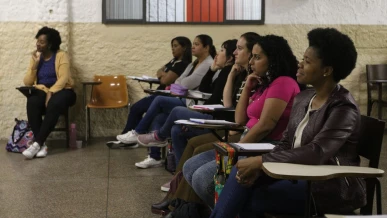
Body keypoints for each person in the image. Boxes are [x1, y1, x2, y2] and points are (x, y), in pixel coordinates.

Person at [210, 28, 366, 218]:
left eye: (307, 62)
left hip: (328, 187)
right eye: (302, 58)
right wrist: (261, 168)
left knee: (247, 196)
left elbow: (317, 152)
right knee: (242, 176)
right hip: (296, 173)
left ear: (327, 70)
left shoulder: (343, 107)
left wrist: (261, 161)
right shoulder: (304, 97)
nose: (299, 65)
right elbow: (286, 143)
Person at [184, 34, 302, 210]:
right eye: (252, 56)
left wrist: (235, 150)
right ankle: (223, 209)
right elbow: (240, 119)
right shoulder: (265, 84)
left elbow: (265, 125)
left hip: (263, 145)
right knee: (190, 166)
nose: (252, 62)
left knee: (203, 178)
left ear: (273, 59)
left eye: (257, 57)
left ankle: (232, 210)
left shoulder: (283, 82)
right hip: (248, 142)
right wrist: (247, 87)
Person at [151, 32, 260, 215]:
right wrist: (229, 72)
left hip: (236, 131)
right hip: (232, 127)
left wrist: (228, 72)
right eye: (232, 50)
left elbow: (235, 114)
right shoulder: (240, 75)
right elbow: (222, 102)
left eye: (239, 49)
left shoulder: (257, 80)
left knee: (179, 119)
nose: (234, 53)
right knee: (171, 124)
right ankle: (178, 197)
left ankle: (185, 203)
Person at [119, 34, 217, 168]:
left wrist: (181, 84)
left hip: (193, 104)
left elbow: (186, 83)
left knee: (159, 100)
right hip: (184, 99)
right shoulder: (194, 63)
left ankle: (138, 132)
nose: (193, 47)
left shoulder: (208, 64)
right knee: (159, 117)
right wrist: (180, 84)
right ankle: (154, 157)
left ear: (206, 47)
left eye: (197, 44)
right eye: (193, 43)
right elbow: (178, 81)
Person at [136, 39, 238, 166]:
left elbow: (214, 100)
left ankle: (156, 136)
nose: (217, 54)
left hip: (217, 120)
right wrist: (212, 70)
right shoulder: (217, 69)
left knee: (172, 108)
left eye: (222, 51)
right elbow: (202, 89)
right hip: (207, 111)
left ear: (230, 58)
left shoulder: (228, 72)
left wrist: (193, 114)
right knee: (173, 127)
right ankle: (177, 175)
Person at [115, 37, 192, 147]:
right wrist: (163, 73)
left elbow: (165, 80)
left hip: (165, 96)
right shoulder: (174, 61)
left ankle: (133, 135)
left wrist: (163, 74)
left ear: (184, 48)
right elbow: (159, 72)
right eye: (172, 46)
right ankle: (132, 139)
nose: (172, 49)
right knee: (138, 109)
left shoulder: (183, 64)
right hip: (159, 93)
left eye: (175, 46)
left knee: (138, 109)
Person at [22, 26, 76, 159]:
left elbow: (63, 79)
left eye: (42, 42)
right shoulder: (36, 58)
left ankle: (37, 143)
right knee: (32, 101)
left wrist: (51, 92)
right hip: (43, 90)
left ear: (50, 44)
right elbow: (28, 82)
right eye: (38, 41)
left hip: (64, 90)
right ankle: (42, 144)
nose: (38, 44)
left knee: (54, 103)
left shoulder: (61, 55)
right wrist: (34, 66)